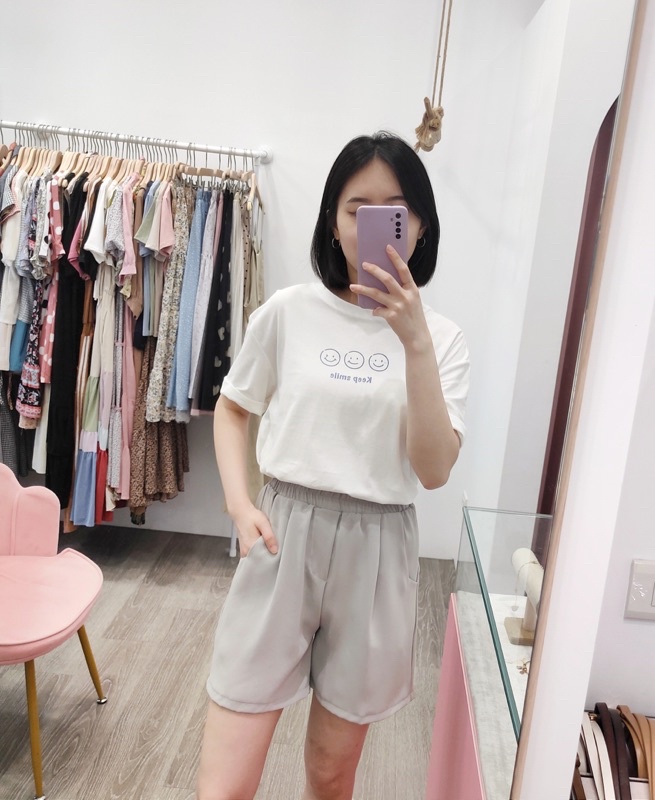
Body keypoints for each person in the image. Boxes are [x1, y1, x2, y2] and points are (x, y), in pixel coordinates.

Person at [196, 131, 469, 800]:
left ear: (420, 225)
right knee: (225, 784)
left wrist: (414, 344)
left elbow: (434, 469)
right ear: (333, 220)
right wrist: (239, 503)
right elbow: (233, 409)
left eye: (394, 211)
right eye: (357, 209)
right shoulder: (289, 312)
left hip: (378, 551)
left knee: (330, 774)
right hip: (283, 534)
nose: (375, 224)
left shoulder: (443, 340)